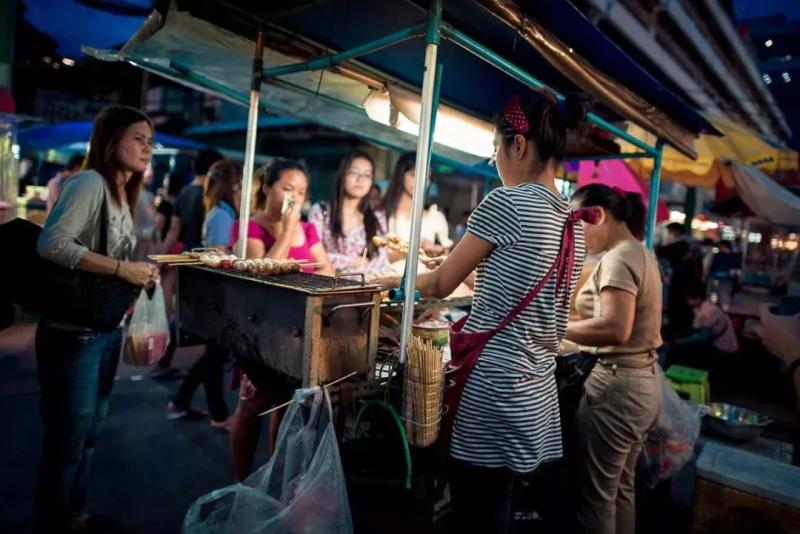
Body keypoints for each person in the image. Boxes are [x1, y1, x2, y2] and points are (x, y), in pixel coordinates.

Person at [376, 90, 588, 532]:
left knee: (473, 512)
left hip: (492, 392)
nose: (495, 162)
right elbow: (515, 290)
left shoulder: (507, 202)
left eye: (495, 150)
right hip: (533, 394)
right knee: (499, 507)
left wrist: (384, 282)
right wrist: (456, 264)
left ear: (519, 145)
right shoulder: (570, 221)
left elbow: (437, 286)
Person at [34, 105, 158, 533]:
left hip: (102, 330)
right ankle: (53, 520)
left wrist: (136, 272)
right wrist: (124, 270)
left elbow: (106, 260)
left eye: (150, 140)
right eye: (138, 138)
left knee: (88, 435)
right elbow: (51, 244)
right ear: (110, 141)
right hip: (73, 335)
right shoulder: (89, 182)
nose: (148, 147)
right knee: (67, 440)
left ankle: (72, 514)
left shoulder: (124, 194)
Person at [565, 184, 663, 534]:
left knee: (597, 498)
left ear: (600, 215)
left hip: (619, 389)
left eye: (579, 222)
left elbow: (616, 328)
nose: (576, 232)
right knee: (620, 488)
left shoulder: (620, 257)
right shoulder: (639, 251)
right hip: (641, 384)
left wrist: (557, 327)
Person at [228, 158, 333, 481]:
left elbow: (328, 271)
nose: (294, 198)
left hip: (297, 331)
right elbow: (261, 274)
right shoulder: (249, 226)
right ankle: (242, 481)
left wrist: (297, 247)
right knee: (251, 407)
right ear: (266, 187)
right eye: (287, 189)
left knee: (285, 408)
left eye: (300, 192)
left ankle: (274, 482)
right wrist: (287, 231)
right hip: (259, 332)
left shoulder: (310, 229)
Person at [167, 160, 242, 430]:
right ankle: (219, 415)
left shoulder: (219, 211)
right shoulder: (222, 215)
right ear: (232, 185)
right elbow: (219, 256)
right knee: (215, 355)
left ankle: (181, 400)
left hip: (216, 295)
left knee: (215, 354)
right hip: (218, 295)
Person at [308, 150, 391, 278]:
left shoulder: (377, 217)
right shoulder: (321, 211)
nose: (360, 179)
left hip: (365, 286)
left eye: (367, 175)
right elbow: (312, 254)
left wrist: (360, 276)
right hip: (327, 286)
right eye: (353, 172)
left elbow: (382, 260)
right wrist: (352, 262)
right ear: (342, 175)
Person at [381, 152, 452, 270]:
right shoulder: (384, 215)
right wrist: (416, 247)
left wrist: (436, 251)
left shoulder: (435, 216)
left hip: (423, 283)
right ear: (400, 175)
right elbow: (376, 259)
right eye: (413, 175)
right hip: (388, 282)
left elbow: (445, 256)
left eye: (426, 177)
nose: (420, 181)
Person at [161, 148, 223, 254]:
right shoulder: (212, 195)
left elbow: (174, 229)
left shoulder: (184, 192)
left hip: (186, 252)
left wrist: (160, 261)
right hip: (207, 254)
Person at [657, 222, 702, 341]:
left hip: (681, 288)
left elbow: (661, 252)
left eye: (670, 232)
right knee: (681, 316)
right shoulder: (691, 246)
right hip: (686, 288)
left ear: (676, 231)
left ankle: (675, 342)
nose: (669, 235)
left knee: (677, 316)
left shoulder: (681, 245)